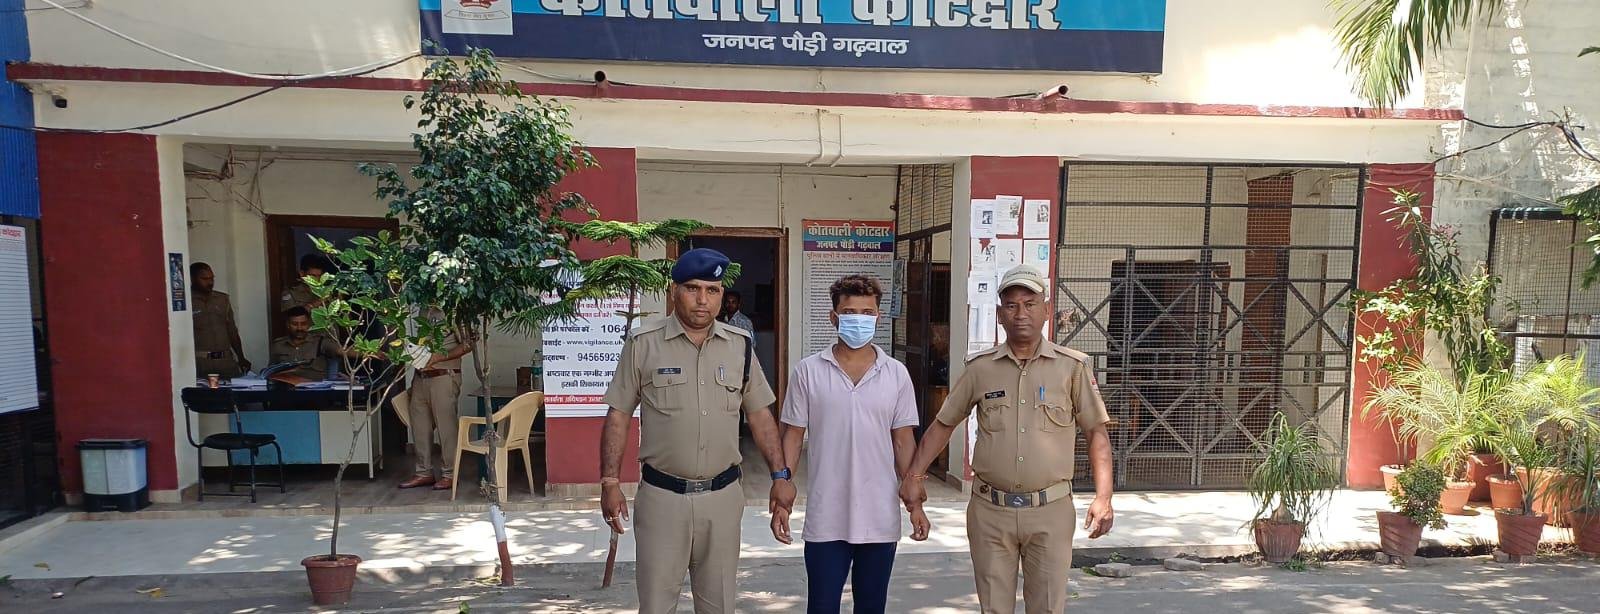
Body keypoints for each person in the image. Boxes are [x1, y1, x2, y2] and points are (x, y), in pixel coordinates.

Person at [899, 265, 1116, 614]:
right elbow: (943, 424)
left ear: (1046, 310)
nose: (1021, 314)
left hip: (1050, 511)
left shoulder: (1071, 368)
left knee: (1047, 607)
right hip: (990, 512)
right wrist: (914, 476)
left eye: (1030, 304)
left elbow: (1096, 433)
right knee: (994, 609)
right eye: (1012, 306)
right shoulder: (980, 369)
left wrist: (1104, 497)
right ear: (1000, 315)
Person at [598, 248, 794, 614]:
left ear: (722, 295)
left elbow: (760, 416)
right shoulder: (644, 344)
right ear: (674, 291)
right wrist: (610, 481)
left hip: (722, 500)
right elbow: (619, 414)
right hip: (662, 499)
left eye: (712, 290)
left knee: (719, 605)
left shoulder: (740, 346)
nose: (703, 299)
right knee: (656, 606)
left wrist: (780, 475)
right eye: (692, 288)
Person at [772, 274, 927, 614]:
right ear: (834, 317)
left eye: (867, 312)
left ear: (878, 317)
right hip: (827, 515)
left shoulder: (896, 374)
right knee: (822, 606)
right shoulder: (808, 371)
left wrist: (915, 503)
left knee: (871, 606)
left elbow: (903, 441)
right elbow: (793, 435)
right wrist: (782, 486)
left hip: (880, 516)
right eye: (849, 312)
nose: (859, 319)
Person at [399, 308, 475, 491]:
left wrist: (437, 358)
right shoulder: (422, 310)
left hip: (444, 375)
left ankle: (450, 474)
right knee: (420, 427)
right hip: (421, 377)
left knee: (446, 427)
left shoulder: (454, 309)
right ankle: (423, 472)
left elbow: (469, 343)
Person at [190, 262, 251, 378]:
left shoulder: (222, 300)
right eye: (204, 279)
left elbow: (232, 332)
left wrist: (241, 357)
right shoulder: (186, 302)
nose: (210, 282)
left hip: (225, 362)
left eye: (212, 278)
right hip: (201, 362)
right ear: (192, 279)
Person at [269, 306, 345, 380]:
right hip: (286, 386)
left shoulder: (320, 342)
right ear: (288, 325)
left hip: (314, 387)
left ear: (308, 324)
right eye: (295, 324)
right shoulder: (278, 345)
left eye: (303, 324)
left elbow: (343, 351)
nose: (299, 328)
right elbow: (270, 371)